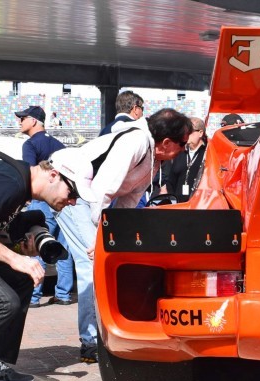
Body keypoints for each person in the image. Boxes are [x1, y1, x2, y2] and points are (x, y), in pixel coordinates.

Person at [56, 108, 192, 364]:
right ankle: (90, 341)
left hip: (94, 198)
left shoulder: (155, 158)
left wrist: (115, 234)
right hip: (75, 195)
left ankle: (106, 331)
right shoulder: (136, 141)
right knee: (92, 263)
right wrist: (101, 238)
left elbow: (129, 198)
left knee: (108, 261)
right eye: (182, 144)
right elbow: (102, 190)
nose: (184, 149)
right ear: (166, 142)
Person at [0, 144, 93, 381]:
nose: (73, 201)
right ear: (53, 175)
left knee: (21, 280)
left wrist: (17, 248)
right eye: (72, 190)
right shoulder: (10, 180)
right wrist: (13, 258)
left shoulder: (18, 186)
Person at [14, 106, 76, 308]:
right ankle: (63, 294)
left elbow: (30, 175)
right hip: (63, 201)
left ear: (33, 121)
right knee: (62, 247)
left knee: (40, 242)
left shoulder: (30, 144)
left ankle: (33, 296)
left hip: (42, 199)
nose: (20, 121)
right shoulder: (58, 144)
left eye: (23, 118)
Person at [165, 117, 206, 203]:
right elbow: (171, 181)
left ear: (200, 133)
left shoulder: (207, 153)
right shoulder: (180, 152)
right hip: (179, 206)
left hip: (199, 206)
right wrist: (173, 200)